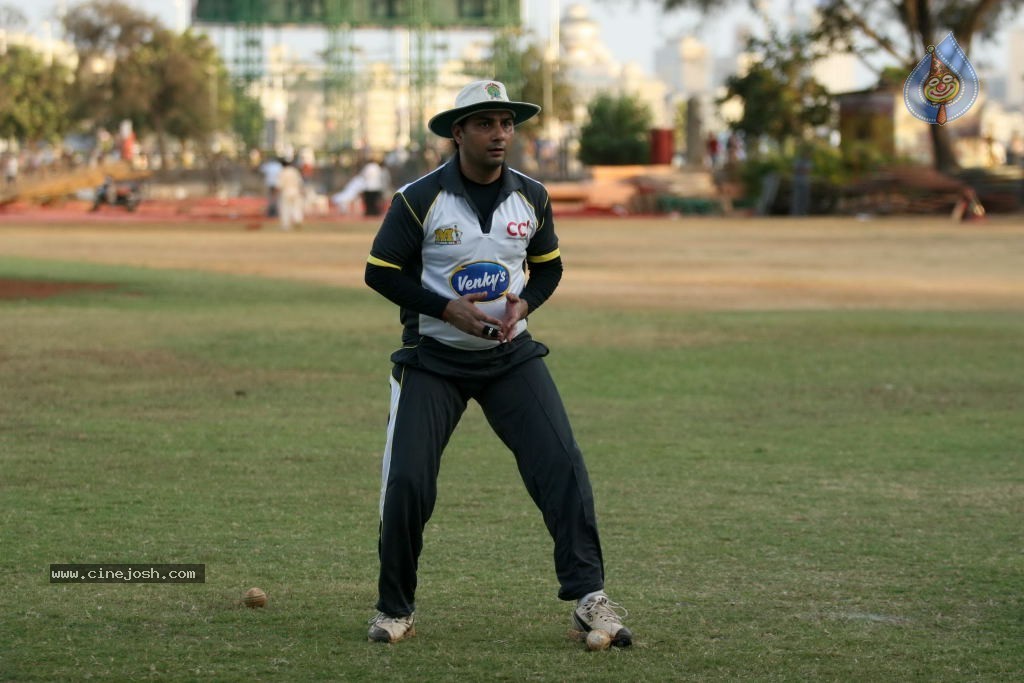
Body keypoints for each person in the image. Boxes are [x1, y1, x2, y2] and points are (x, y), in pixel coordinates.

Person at [362, 80, 633, 647]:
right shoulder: (418, 199)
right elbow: (381, 271)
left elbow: (549, 267)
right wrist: (444, 309)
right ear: (457, 132)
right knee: (408, 480)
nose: (500, 133)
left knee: (562, 466)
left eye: (507, 123)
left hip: (511, 358)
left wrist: (525, 303)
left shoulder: (532, 196)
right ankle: (395, 608)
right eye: (486, 122)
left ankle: (590, 599)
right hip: (432, 360)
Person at [276, 158, 304, 230]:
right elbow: (300, 182)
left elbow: (279, 184)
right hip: (296, 191)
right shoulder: (294, 171)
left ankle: (286, 225)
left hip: (286, 192)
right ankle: (298, 220)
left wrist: (277, 192)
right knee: (296, 207)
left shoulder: (282, 172)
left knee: (285, 208)